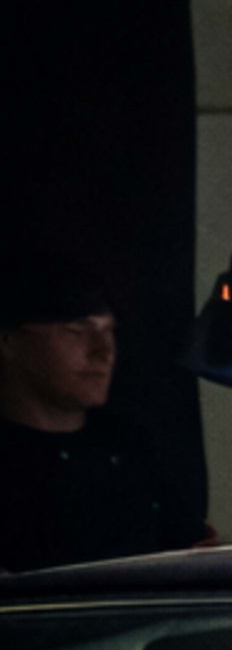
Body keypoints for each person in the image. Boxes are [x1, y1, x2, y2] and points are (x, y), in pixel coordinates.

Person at [0, 242, 209, 573]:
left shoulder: (130, 447)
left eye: (109, 332)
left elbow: (192, 554)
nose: (102, 352)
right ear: (9, 342)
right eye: (76, 332)